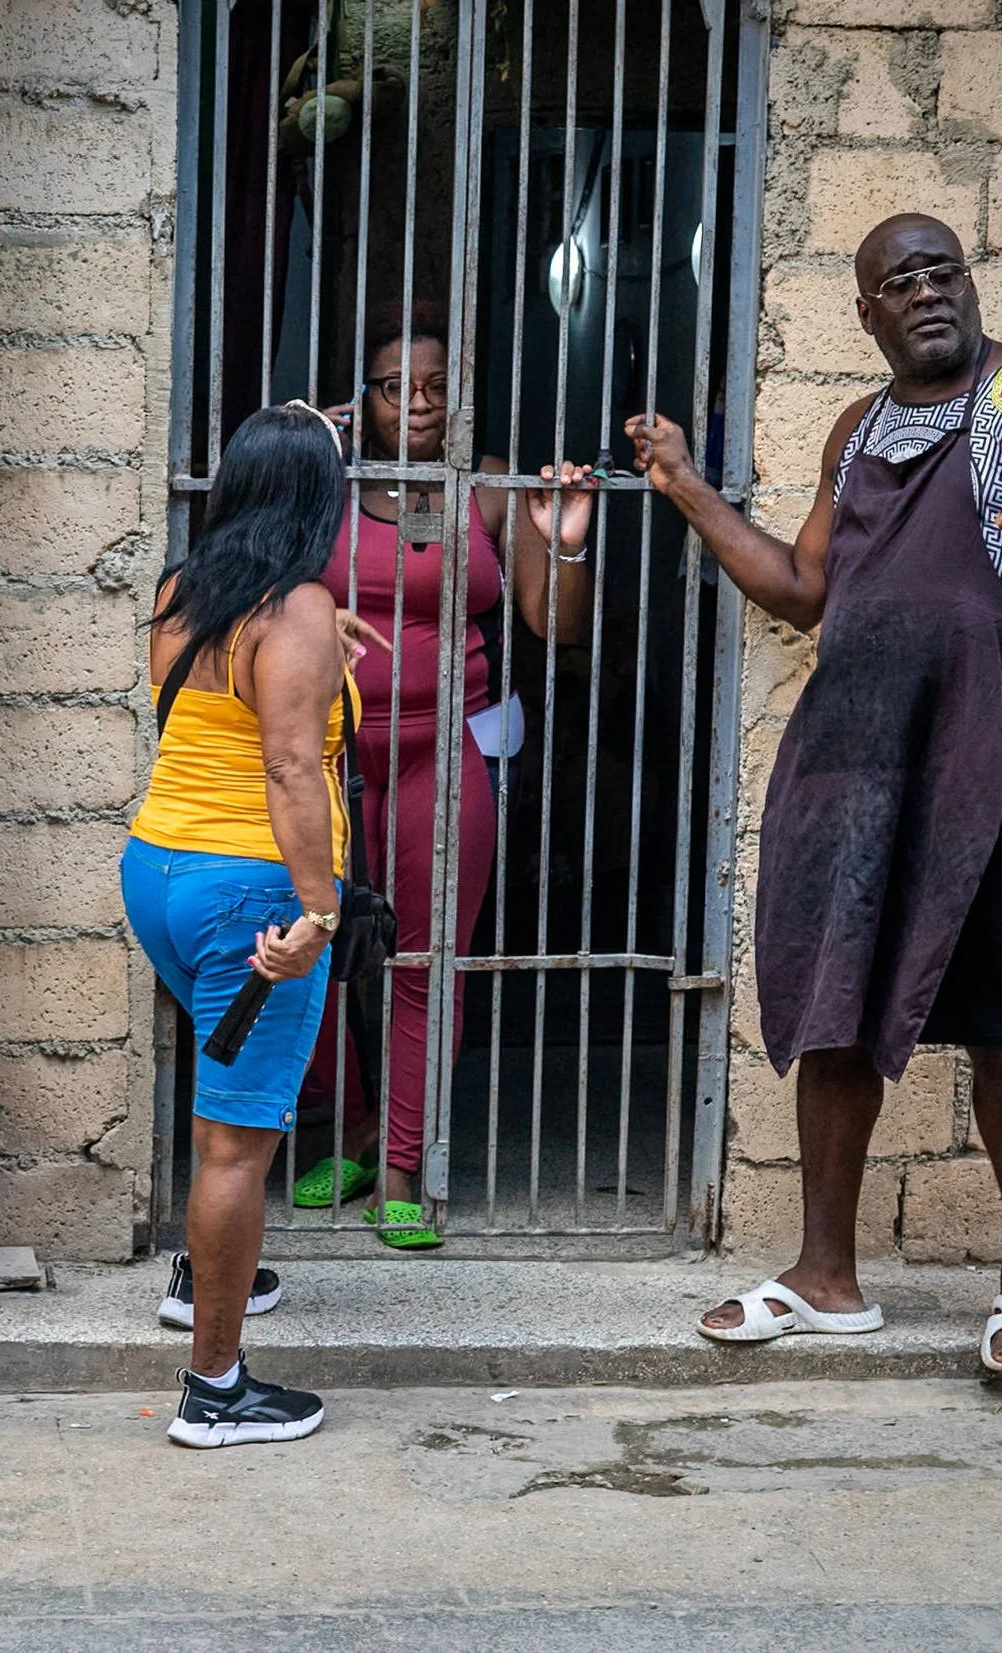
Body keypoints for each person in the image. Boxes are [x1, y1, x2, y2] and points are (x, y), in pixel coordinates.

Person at [626, 214, 1002, 1375]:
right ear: (867, 312)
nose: (926, 291)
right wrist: (686, 487)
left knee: (999, 1028)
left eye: (942, 271)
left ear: (969, 283)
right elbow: (804, 588)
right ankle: (825, 1277)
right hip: (854, 763)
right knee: (833, 1014)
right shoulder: (855, 431)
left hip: (990, 760)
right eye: (899, 281)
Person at [301, 307, 597, 1246]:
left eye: (438, 386)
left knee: (428, 961)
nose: (421, 403)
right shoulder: (324, 482)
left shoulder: (491, 487)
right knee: (316, 944)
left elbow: (557, 623)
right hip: (326, 751)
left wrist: (566, 538)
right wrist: (307, 437)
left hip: (443, 748)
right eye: (399, 387)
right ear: (364, 398)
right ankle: (351, 1124)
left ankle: (401, 1162)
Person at [124, 402, 370, 1447]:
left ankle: (204, 1278)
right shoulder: (296, 605)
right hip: (253, 894)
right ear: (319, 500)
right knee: (236, 1144)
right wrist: (318, 911)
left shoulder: (185, 588)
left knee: (222, 1099)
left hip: (160, 870)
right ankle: (215, 1390)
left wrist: (322, 642)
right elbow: (287, 765)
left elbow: (215, 699)